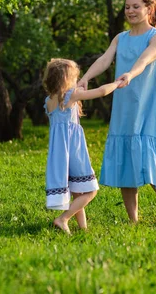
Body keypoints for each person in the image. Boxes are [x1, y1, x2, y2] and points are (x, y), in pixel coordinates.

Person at [78, 0, 156, 223]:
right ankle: (133, 220)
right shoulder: (120, 38)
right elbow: (105, 60)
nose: (131, 11)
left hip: (148, 105)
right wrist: (85, 78)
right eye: (127, 7)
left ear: (148, 8)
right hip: (124, 106)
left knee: (151, 152)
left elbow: (145, 60)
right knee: (126, 157)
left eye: (136, 6)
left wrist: (129, 75)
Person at [43, 58, 121, 234]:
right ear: (65, 79)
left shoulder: (49, 100)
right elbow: (101, 91)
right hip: (74, 149)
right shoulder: (71, 96)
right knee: (90, 190)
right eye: (74, 78)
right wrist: (116, 83)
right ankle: (63, 218)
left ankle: (82, 228)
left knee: (79, 190)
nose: (76, 81)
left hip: (59, 153)